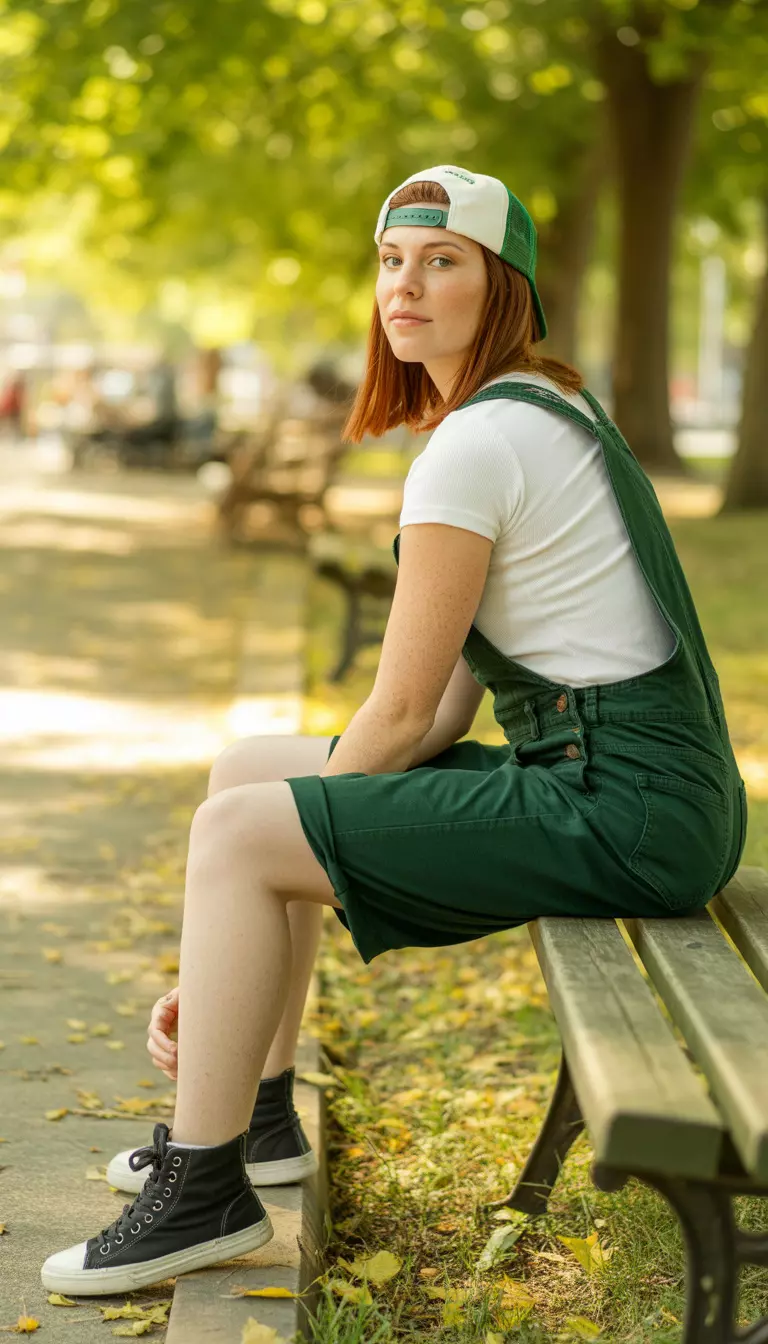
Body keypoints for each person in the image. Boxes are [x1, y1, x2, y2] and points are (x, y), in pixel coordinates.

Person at [41, 165, 747, 1294]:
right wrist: (237, 942)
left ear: (504, 287)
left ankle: (205, 1190)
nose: (403, 287)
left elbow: (406, 713)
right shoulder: (541, 408)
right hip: (642, 790)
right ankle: (257, 1114)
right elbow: (448, 708)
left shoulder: (476, 446)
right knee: (249, 772)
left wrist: (232, 923)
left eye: (441, 261)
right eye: (389, 262)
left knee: (239, 835)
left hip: (625, 808)